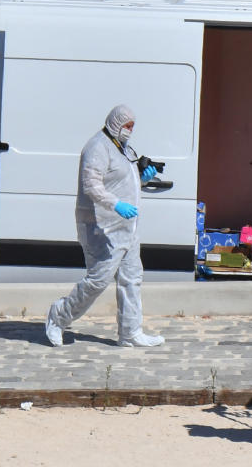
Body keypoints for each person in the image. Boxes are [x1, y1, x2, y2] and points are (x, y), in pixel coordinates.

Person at [45, 104, 164, 348]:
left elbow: (121, 182)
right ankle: (58, 316)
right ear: (115, 122)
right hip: (101, 227)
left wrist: (143, 179)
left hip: (127, 228)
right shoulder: (97, 147)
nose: (130, 130)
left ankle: (130, 332)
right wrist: (116, 204)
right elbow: (92, 185)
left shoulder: (124, 149)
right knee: (98, 280)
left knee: (131, 279)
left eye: (132, 126)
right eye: (126, 125)